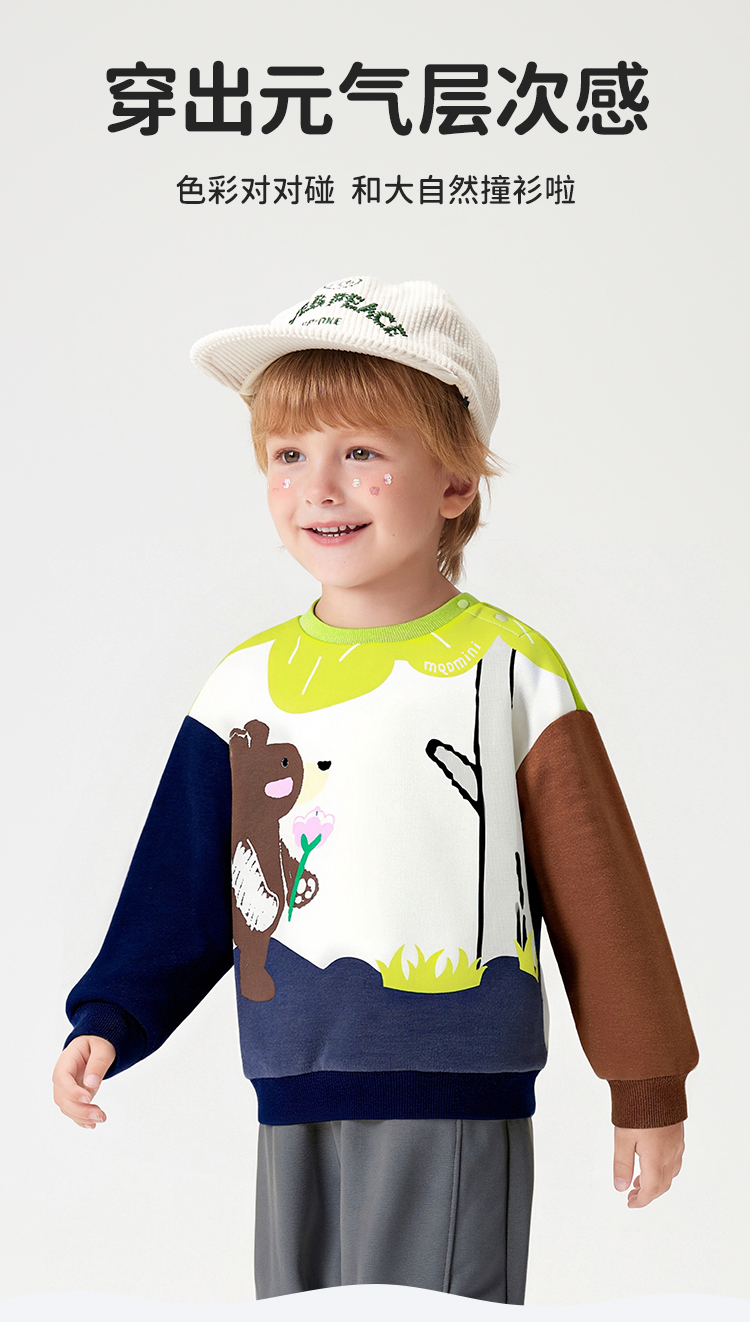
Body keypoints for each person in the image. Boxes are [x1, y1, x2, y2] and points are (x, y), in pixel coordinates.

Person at [53, 276, 698, 1304]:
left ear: (455, 481)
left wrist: (646, 1080)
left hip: (456, 1085)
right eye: (288, 455)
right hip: (291, 1081)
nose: (320, 487)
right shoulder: (246, 684)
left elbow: (600, 891)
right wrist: (112, 1015)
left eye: (361, 452)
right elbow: (184, 881)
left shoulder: (508, 669)